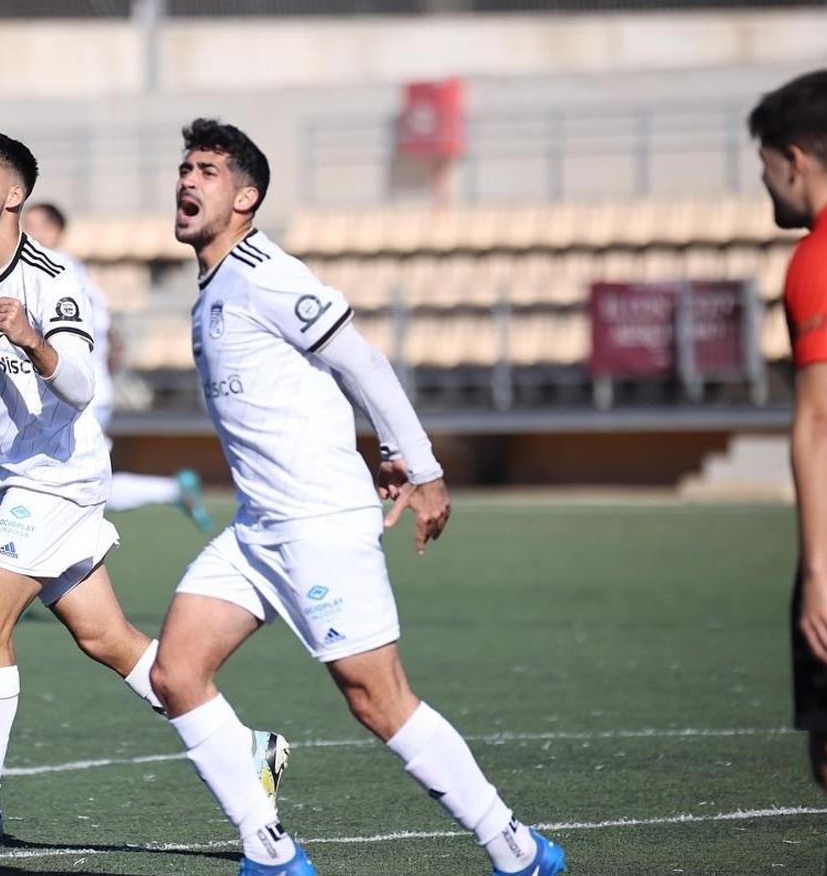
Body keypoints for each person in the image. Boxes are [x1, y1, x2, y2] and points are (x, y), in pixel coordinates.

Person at [0, 130, 287, 865]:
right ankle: (245, 747)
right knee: (108, 639)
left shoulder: (55, 278)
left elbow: (81, 385)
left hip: (59, 476)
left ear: (14, 195)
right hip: (15, 478)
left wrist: (33, 340)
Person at [146, 118, 566, 876]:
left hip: (319, 527)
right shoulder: (212, 291)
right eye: (184, 168)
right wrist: (380, 454)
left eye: (207, 171)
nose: (187, 180)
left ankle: (517, 849)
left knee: (377, 700)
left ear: (246, 197)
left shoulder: (267, 274)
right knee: (176, 673)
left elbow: (364, 363)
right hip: (258, 529)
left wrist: (424, 468)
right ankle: (272, 853)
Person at [751, 68, 827, 876]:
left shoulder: (826, 254)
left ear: (795, 160)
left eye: (764, 167)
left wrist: (820, 572)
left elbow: (824, 418)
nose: (764, 185)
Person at [22, 201, 215, 532]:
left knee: (67, 483)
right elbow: (112, 336)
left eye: (32, 225)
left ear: (54, 231)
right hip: (86, 390)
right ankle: (173, 490)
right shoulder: (75, 272)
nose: (25, 232)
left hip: (73, 394)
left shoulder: (52, 270)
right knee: (79, 481)